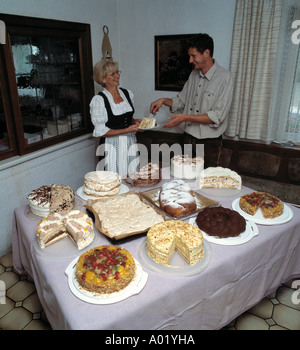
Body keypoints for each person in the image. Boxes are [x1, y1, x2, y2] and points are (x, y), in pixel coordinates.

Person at [150, 33, 233, 167]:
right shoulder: (193, 75)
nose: (190, 60)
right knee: (185, 178)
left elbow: (216, 116)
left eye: (193, 56)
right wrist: (163, 100)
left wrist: (185, 118)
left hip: (209, 143)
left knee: (205, 183)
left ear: (206, 53)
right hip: (187, 138)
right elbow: (181, 101)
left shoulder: (225, 78)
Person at [90, 60, 143, 177]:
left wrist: (136, 122)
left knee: (132, 177)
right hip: (111, 146)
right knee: (114, 180)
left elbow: (126, 118)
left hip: (129, 142)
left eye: (117, 72)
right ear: (103, 79)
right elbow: (101, 132)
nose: (117, 76)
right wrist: (127, 130)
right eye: (112, 74)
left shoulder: (127, 93)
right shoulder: (99, 100)